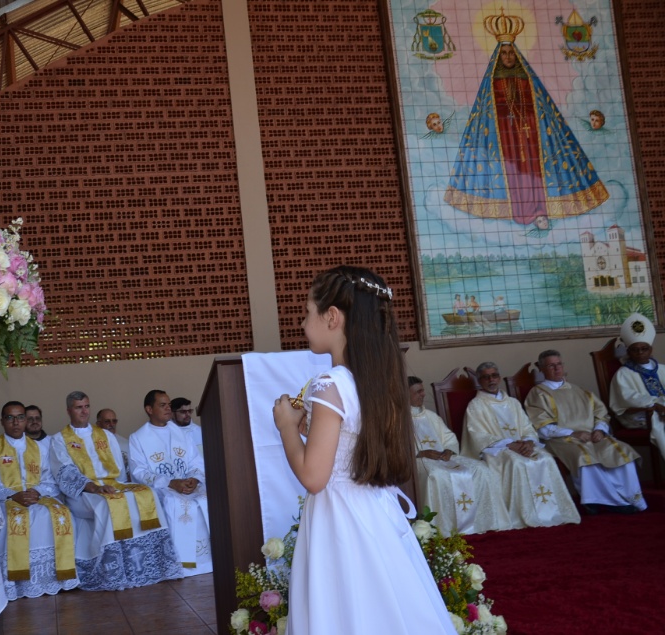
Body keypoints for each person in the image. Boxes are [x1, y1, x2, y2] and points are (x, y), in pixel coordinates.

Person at [273, 266, 455, 634]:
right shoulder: (376, 379)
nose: (303, 323)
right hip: (376, 511)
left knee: (344, 609)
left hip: (339, 518)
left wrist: (286, 428)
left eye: (308, 313)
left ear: (333, 317)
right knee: (386, 608)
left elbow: (313, 476)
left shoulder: (327, 384)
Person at [444, 11, 607, 228]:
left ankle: (540, 210)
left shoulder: (529, 80)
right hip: (503, 136)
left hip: (530, 135)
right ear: (498, 55)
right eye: (504, 53)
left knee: (533, 171)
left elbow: (543, 109)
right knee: (511, 174)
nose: (508, 57)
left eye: (511, 52)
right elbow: (484, 117)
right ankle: (519, 211)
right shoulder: (491, 82)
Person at [48, 391, 181, 590]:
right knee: (108, 504)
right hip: (84, 492)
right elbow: (64, 471)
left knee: (148, 494)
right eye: (78, 407)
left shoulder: (104, 435)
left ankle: (156, 565)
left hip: (111, 484)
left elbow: (119, 466)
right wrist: (94, 487)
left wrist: (121, 487)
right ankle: (114, 570)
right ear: (69, 411)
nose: (84, 411)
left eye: (86, 406)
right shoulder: (60, 439)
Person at [0, 401, 91, 599]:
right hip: (8, 499)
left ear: (25, 420)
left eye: (20, 417)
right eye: (10, 418)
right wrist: (13, 495)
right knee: (14, 520)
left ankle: (61, 577)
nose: (16, 422)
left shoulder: (40, 448)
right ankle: (17, 584)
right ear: (2, 421)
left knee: (62, 514)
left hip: (37, 496)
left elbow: (51, 480)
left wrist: (37, 492)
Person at [525, 350, 647, 513]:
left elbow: (600, 413)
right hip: (562, 439)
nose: (557, 368)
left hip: (592, 436)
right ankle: (599, 502)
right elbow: (541, 425)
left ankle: (629, 498)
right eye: (551, 365)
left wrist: (599, 430)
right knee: (584, 457)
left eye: (559, 364)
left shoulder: (580, 390)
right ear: (542, 369)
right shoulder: (538, 393)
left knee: (621, 451)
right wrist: (572, 433)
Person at [462, 363, 580, 528]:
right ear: (479, 380)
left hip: (523, 445)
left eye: (494, 375)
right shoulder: (476, 405)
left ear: (499, 377)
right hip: (497, 450)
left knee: (546, 458)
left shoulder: (512, 402)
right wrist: (509, 444)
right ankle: (521, 514)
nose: (491, 380)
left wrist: (529, 442)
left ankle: (555, 512)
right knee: (517, 463)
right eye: (486, 377)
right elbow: (477, 435)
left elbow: (527, 427)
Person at [408, 376, 509, 535]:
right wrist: (419, 452)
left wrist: (449, 450)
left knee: (481, 469)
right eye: (418, 392)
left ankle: (485, 522)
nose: (423, 394)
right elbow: (393, 449)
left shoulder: (431, 416)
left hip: (444, 457)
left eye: (422, 390)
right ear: (404, 394)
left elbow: (448, 438)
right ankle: (443, 528)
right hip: (418, 460)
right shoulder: (396, 419)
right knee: (437, 475)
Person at [129, 390, 212, 576]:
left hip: (190, 486)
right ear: (149, 409)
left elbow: (195, 461)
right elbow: (139, 471)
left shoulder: (181, 433)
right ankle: (183, 564)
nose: (168, 408)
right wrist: (171, 483)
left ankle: (211, 560)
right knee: (177, 503)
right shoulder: (138, 438)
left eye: (168, 405)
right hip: (163, 488)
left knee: (209, 499)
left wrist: (194, 479)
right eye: (163, 405)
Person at [609, 312, 665, 464]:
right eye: (635, 349)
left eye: (644, 348)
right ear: (628, 351)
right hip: (639, 416)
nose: (640, 353)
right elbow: (628, 397)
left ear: (650, 349)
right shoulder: (623, 373)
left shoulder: (661, 369)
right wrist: (656, 405)